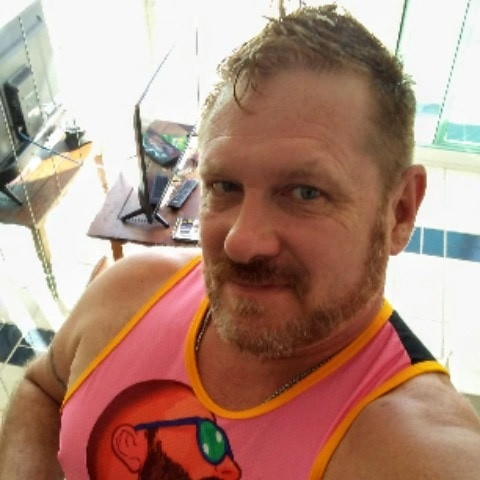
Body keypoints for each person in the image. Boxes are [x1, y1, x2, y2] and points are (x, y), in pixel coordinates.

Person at [1, 4, 479, 479]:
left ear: (400, 211)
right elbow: (42, 389)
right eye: (225, 186)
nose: (241, 242)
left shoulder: (419, 452)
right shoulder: (131, 290)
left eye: (305, 192)